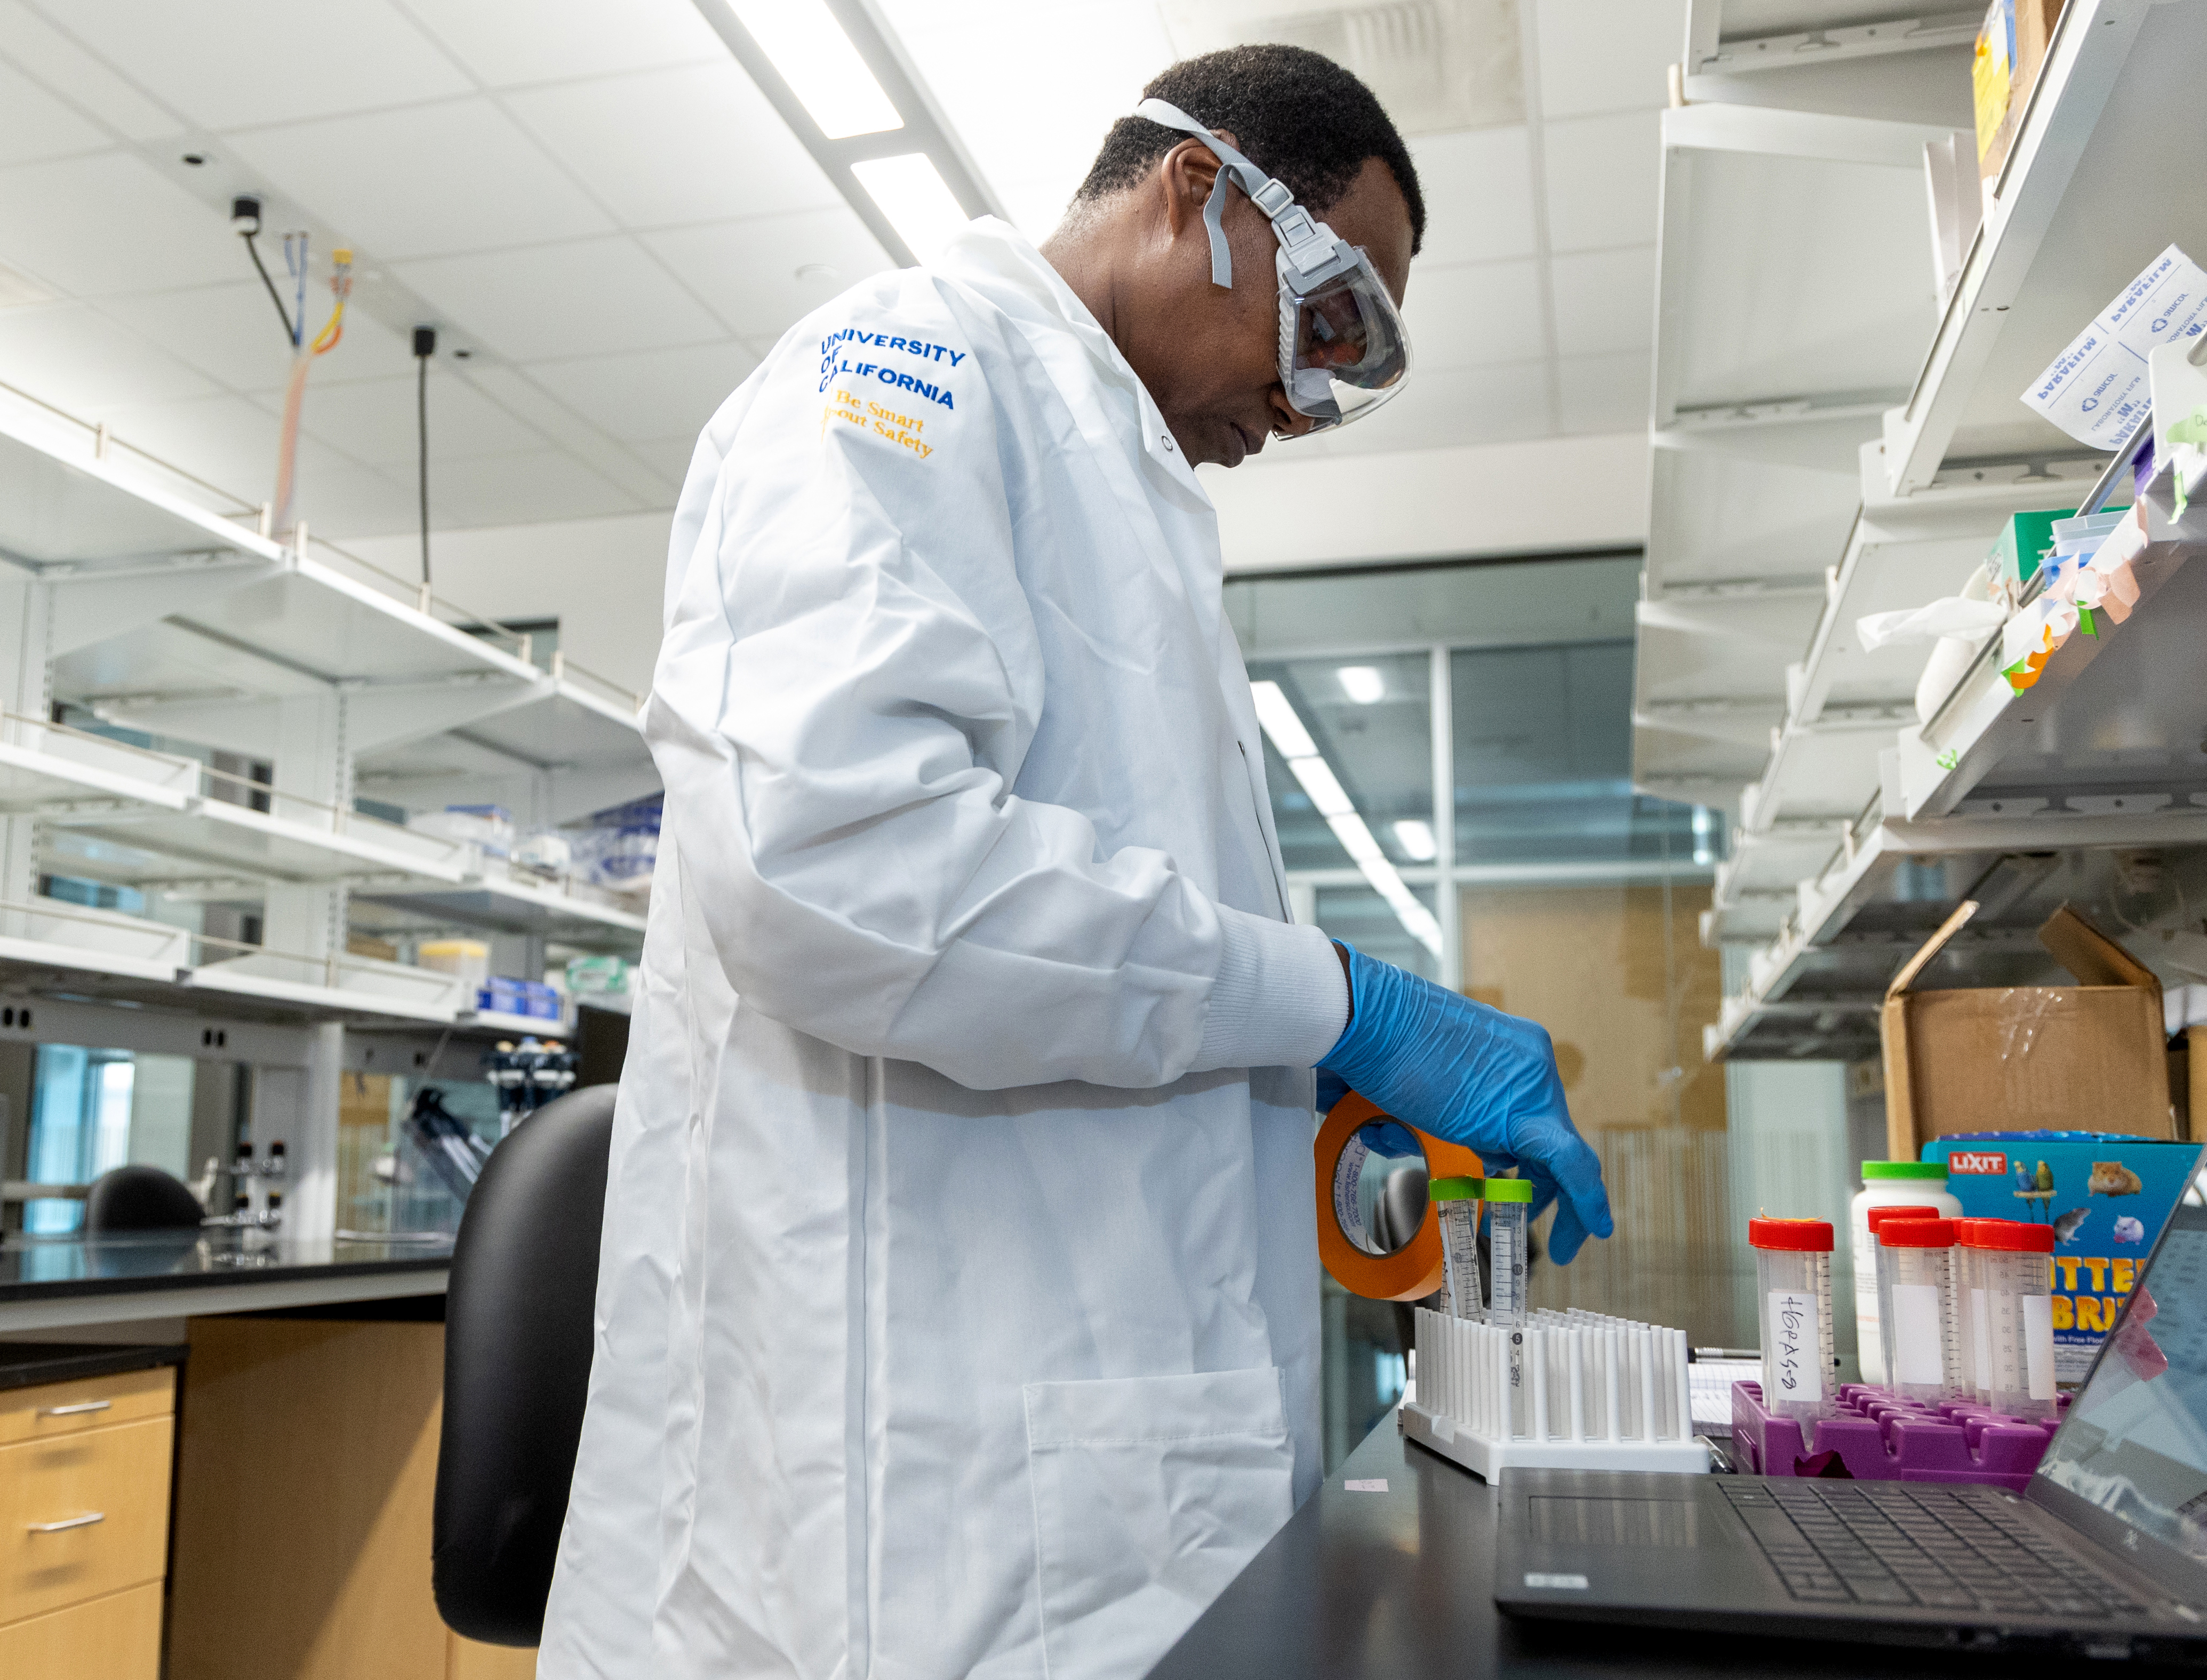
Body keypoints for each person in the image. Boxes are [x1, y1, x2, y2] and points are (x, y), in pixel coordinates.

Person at [539, 43, 1612, 1680]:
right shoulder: (909, 368)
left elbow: (1083, 952)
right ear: (1202, 195)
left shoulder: (1116, 488)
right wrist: (1328, 1003)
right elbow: (838, 867)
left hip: (1071, 1495)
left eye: (1362, 367)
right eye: (1330, 323)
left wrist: (1277, 1073)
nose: (1311, 400)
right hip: (918, 1525)